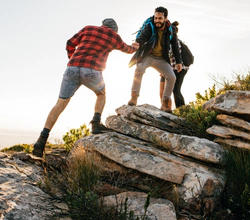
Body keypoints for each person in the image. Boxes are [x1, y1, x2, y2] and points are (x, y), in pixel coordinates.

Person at [32, 18, 139, 157]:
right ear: (114, 29)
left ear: (103, 25)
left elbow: (70, 43)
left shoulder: (88, 28)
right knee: (101, 95)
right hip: (92, 72)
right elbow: (128, 49)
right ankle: (95, 123)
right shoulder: (114, 36)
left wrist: (72, 59)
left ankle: (41, 141)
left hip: (72, 68)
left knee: (60, 104)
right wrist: (135, 46)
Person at [127, 6, 182, 113]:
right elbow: (143, 37)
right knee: (139, 68)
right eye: (156, 18)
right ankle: (134, 97)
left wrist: (179, 62)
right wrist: (137, 43)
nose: (157, 21)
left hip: (161, 58)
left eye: (160, 18)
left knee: (172, 77)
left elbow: (175, 45)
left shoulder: (171, 30)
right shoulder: (150, 26)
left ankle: (165, 103)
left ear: (165, 18)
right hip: (149, 56)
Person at [159, 21, 189, 108]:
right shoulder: (169, 41)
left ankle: (182, 109)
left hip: (180, 68)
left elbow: (175, 56)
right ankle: (171, 108)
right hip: (173, 69)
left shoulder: (175, 42)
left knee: (176, 90)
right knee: (172, 90)